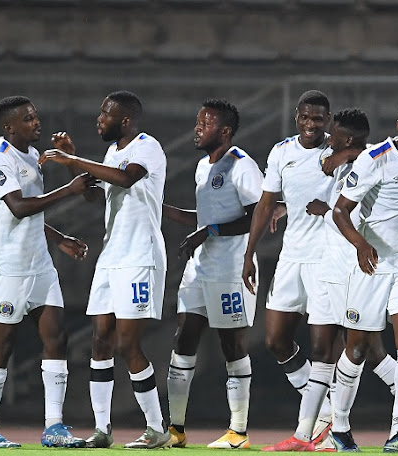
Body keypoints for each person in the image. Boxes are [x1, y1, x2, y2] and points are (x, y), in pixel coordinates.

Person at [39, 91, 170, 449]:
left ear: (125, 120)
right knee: (100, 340)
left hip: (140, 256)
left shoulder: (147, 146)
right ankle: (102, 430)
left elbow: (126, 179)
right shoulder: (112, 152)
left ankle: (157, 428)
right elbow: (99, 194)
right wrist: (72, 167)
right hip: (112, 255)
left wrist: (74, 158)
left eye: (105, 114)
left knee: (128, 342)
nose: (99, 119)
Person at [0, 95, 94, 448]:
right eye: (28, 119)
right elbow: (18, 207)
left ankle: (54, 427)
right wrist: (69, 191)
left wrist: (57, 239)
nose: (36, 123)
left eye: (36, 116)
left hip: (38, 263)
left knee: (57, 337)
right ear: (9, 126)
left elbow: (31, 215)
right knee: (2, 344)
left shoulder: (30, 157)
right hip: (5, 266)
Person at [333, 99, 398, 453]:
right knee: (358, 347)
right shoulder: (374, 159)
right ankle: (340, 427)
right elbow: (340, 211)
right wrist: (362, 245)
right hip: (372, 262)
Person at [162, 99, 263, 449]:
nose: (197, 128)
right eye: (198, 121)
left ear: (225, 131)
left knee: (231, 344)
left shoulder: (241, 165)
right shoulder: (203, 166)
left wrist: (209, 232)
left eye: (205, 123)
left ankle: (238, 431)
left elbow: (258, 216)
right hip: (200, 268)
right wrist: (161, 210)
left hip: (231, 268)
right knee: (183, 337)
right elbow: (204, 218)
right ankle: (175, 429)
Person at [241, 90, 336, 449]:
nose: (312, 125)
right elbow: (266, 203)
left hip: (327, 258)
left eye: (319, 119)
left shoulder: (338, 153)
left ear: (328, 120)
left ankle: (329, 426)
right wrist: (249, 253)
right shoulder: (282, 152)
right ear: (297, 117)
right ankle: (325, 413)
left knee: (324, 346)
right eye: (306, 118)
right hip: (291, 256)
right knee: (275, 340)